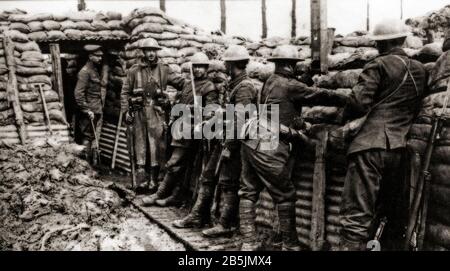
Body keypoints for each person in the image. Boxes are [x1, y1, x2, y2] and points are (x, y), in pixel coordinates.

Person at [238, 45, 349, 251]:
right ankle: (290, 244)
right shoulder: (290, 85)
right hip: (269, 145)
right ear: (290, 65)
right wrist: (347, 99)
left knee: (248, 191)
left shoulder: (268, 82)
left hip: (250, 141)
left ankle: (248, 240)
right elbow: (319, 94)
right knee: (285, 194)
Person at [339, 19, 428, 251]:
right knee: (389, 213)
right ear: (402, 39)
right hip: (399, 149)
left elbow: (359, 102)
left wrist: (344, 120)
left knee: (356, 213)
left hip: (368, 147)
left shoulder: (377, 65)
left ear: (381, 44)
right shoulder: (420, 69)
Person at [173, 45, 258, 239]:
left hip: (236, 144)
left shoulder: (244, 87)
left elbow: (240, 121)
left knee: (228, 182)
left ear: (233, 64)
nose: (224, 67)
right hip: (223, 140)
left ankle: (225, 224)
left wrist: (229, 146)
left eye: (227, 63)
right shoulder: (235, 83)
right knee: (208, 176)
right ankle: (196, 216)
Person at [139, 52, 219, 207]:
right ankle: (175, 195)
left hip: (192, 132)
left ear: (207, 68)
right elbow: (179, 102)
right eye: (195, 67)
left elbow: (211, 112)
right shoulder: (189, 84)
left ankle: (160, 193)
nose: (197, 70)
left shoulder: (209, 87)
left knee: (174, 163)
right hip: (179, 129)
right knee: (180, 165)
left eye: (201, 67)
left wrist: (195, 110)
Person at [120, 38, 186, 193]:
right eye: (148, 50)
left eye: (153, 50)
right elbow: (124, 93)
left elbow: (181, 84)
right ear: (143, 52)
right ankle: (141, 182)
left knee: (156, 147)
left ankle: (154, 181)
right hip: (139, 113)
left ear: (157, 52)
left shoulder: (164, 69)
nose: (151, 53)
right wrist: (126, 111)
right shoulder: (134, 71)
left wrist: (173, 99)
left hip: (157, 113)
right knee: (140, 147)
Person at [74, 44, 105, 163]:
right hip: (89, 112)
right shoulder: (85, 72)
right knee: (87, 137)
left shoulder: (94, 70)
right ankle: (85, 165)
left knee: (91, 136)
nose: (100, 58)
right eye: (97, 56)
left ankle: (90, 164)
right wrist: (87, 110)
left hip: (95, 109)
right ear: (91, 56)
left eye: (101, 56)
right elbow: (78, 94)